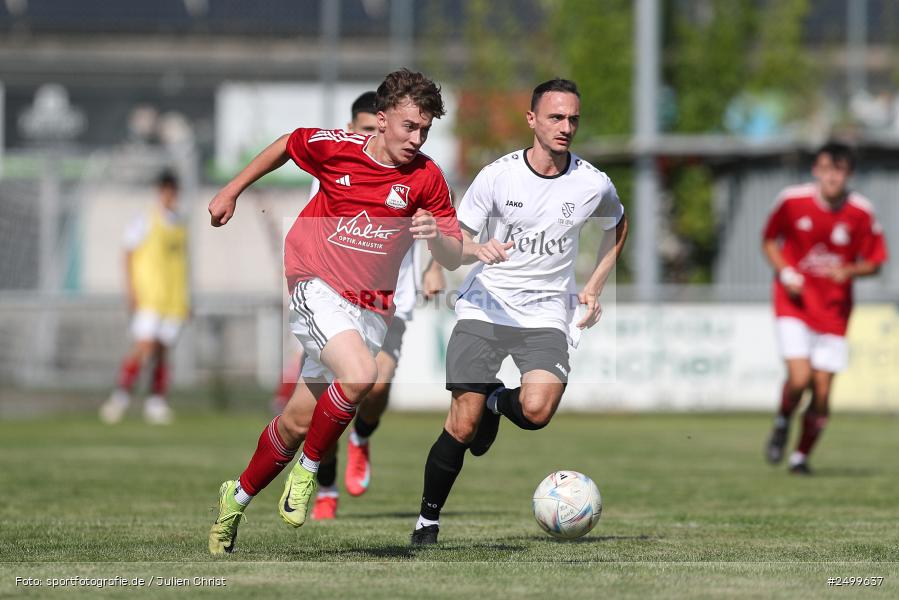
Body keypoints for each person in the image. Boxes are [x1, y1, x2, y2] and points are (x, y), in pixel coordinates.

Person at [206, 69, 462, 555]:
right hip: (314, 282)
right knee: (362, 373)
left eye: (425, 130)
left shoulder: (427, 177)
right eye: (410, 126)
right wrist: (232, 189)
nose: (417, 138)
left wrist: (442, 242)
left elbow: (449, 252)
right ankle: (309, 472)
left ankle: (234, 500)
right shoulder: (337, 147)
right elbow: (286, 143)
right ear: (381, 121)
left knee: (296, 422)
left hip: (370, 308)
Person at [410, 78, 628, 545]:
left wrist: (593, 286)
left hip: (548, 313)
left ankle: (495, 400)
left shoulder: (593, 183)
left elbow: (618, 222)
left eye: (572, 118)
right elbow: (453, 248)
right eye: (555, 117)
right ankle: (427, 521)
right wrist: (460, 249)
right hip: (486, 307)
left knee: (536, 410)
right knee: (462, 424)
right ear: (532, 120)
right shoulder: (497, 176)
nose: (565, 126)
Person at [269, 91, 448, 519]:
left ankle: (362, 437)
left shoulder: (420, 171)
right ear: (355, 130)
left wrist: (436, 265)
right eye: (366, 128)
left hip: (389, 299)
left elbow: (442, 212)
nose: (412, 138)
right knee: (336, 391)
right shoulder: (331, 166)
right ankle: (324, 484)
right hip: (330, 299)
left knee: (374, 386)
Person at [763, 142, 887, 475]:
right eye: (826, 169)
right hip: (794, 303)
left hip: (834, 311)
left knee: (822, 391)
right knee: (800, 377)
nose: (832, 177)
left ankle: (800, 457)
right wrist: (787, 271)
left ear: (848, 174)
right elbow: (769, 240)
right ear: (816, 170)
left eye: (839, 170)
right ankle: (782, 420)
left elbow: (876, 262)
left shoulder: (861, 211)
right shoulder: (792, 201)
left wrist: (849, 270)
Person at [100, 171, 188, 425]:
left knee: (162, 350)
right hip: (149, 296)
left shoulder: (180, 223)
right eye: (166, 190)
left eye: (173, 190)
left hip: (172, 299)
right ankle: (120, 397)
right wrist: (131, 290)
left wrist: (185, 298)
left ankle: (156, 402)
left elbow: (180, 264)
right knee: (144, 346)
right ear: (159, 191)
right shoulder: (146, 219)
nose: (170, 195)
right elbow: (127, 253)